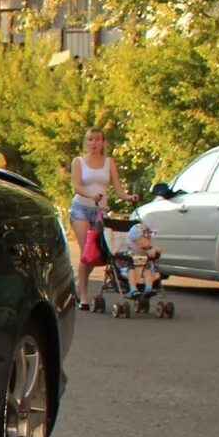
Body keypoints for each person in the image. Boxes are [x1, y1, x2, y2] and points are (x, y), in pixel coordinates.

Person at [69, 127, 132, 310]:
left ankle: (78, 284)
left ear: (104, 143)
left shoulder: (109, 162)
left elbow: (117, 188)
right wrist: (90, 194)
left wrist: (127, 197)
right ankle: (84, 295)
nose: (94, 143)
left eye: (98, 140)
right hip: (81, 208)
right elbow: (77, 186)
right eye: (90, 140)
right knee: (86, 252)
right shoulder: (78, 162)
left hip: (100, 211)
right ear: (86, 142)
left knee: (96, 254)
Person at [125, 221, 162, 298]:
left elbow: (160, 250)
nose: (150, 238)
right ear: (138, 240)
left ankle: (148, 288)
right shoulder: (131, 248)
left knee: (148, 271)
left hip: (144, 266)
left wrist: (155, 249)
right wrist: (131, 255)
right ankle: (133, 289)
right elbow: (126, 254)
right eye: (147, 237)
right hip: (133, 266)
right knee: (131, 271)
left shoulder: (147, 247)